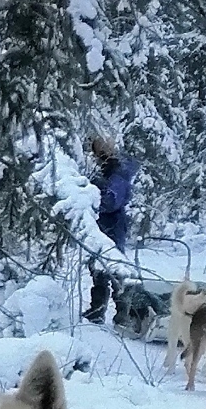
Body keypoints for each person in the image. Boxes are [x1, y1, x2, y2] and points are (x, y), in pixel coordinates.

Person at [86, 129, 133, 320]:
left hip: (113, 226)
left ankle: (124, 313)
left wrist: (94, 192)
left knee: (115, 269)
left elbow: (111, 201)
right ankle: (97, 309)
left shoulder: (118, 173)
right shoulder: (107, 170)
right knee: (97, 269)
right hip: (102, 226)